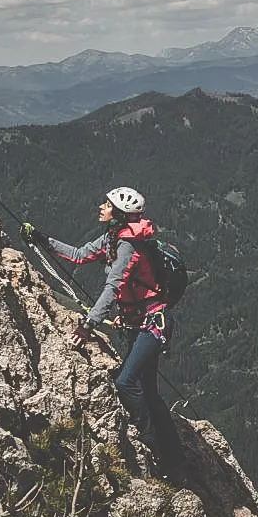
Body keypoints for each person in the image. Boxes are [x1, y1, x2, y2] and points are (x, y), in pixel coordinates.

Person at [22, 187, 183, 478]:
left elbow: (113, 288)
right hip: (142, 322)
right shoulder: (113, 238)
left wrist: (88, 325)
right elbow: (80, 255)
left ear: (118, 214)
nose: (100, 207)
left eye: (106, 205)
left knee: (126, 382)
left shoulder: (128, 247)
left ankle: (153, 447)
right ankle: (175, 455)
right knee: (146, 389)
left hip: (152, 322)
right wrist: (42, 239)